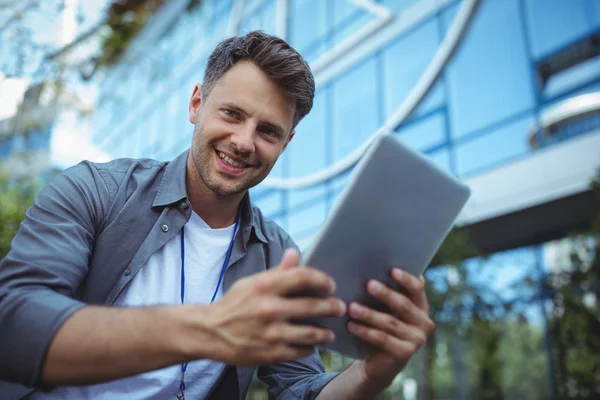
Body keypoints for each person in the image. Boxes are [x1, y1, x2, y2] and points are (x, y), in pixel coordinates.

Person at [0, 31, 434, 399]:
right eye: (231, 113)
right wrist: (208, 328)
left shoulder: (278, 251)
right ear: (196, 105)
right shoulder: (96, 190)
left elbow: (296, 387)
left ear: (285, 144)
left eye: (268, 131)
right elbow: (14, 324)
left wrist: (371, 373)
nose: (244, 141)